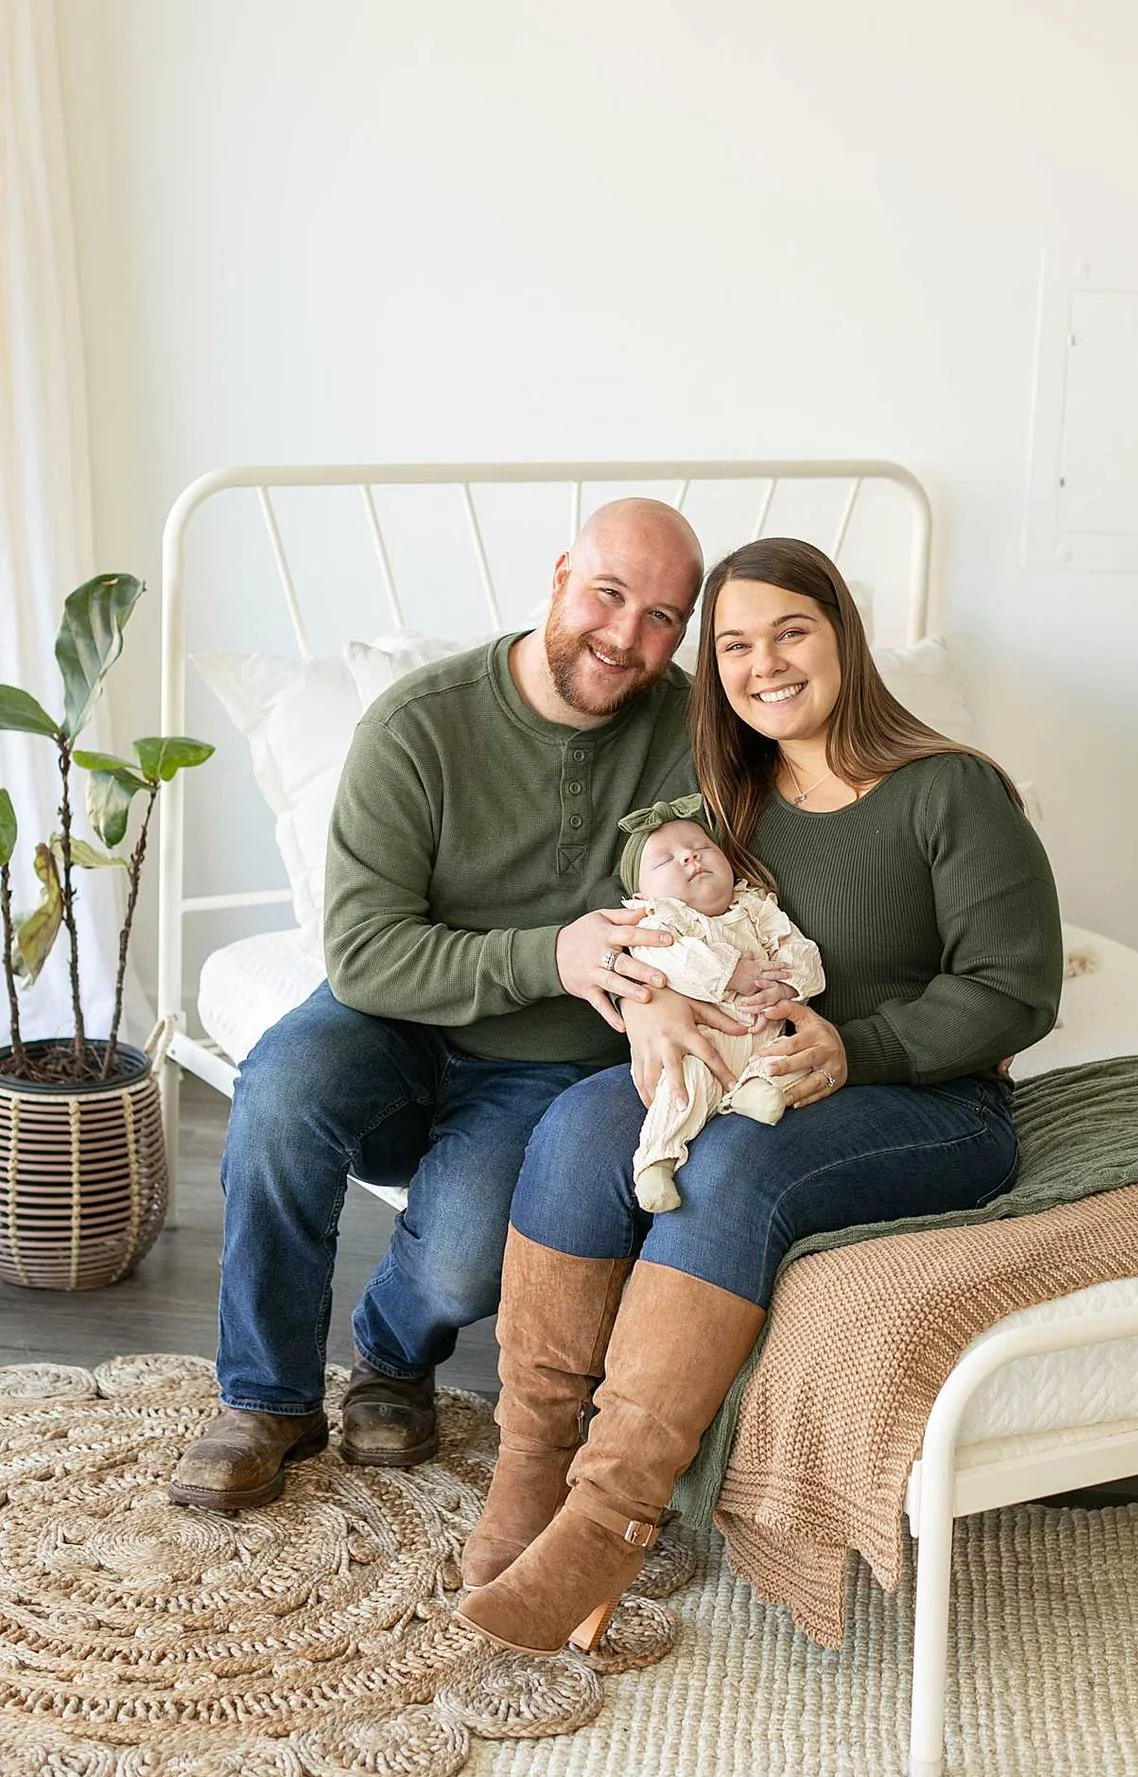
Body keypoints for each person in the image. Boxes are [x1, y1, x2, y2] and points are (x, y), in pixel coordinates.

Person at [450, 536, 1061, 1652]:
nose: (763, 664)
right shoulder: (728, 801)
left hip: (933, 1104)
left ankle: (609, 1517)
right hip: (753, 1074)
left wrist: (859, 1046)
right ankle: (531, 1465)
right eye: (734, 643)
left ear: (843, 638)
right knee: (584, 1116)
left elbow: (1016, 990)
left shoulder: (950, 788)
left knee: (734, 1158)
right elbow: (659, 935)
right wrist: (648, 1008)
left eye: (791, 632)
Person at [171, 499, 711, 1512]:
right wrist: (551, 952)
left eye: (662, 616)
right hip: (393, 1020)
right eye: (607, 594)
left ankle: (390, 1353)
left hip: (548, 1064)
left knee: (464, 1262)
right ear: (558, 576)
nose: (627, 636)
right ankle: (265, 1396)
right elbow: (365, 953)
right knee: (283, 1085)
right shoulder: (420, 722)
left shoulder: (692, 733)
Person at [607, 797, 827, 1212]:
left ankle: (753, 1090)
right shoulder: (657, 922)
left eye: (701, 847)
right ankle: (656, 1161)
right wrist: (731, 972)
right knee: (683, 1085)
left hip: (766, 1030)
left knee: (793, 1060)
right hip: (702, 1041)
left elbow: (799, 950)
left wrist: (791, 988)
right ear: (642, 892)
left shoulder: (756, 909)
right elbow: (670, 960)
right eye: (665, 860)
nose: (690, 855)